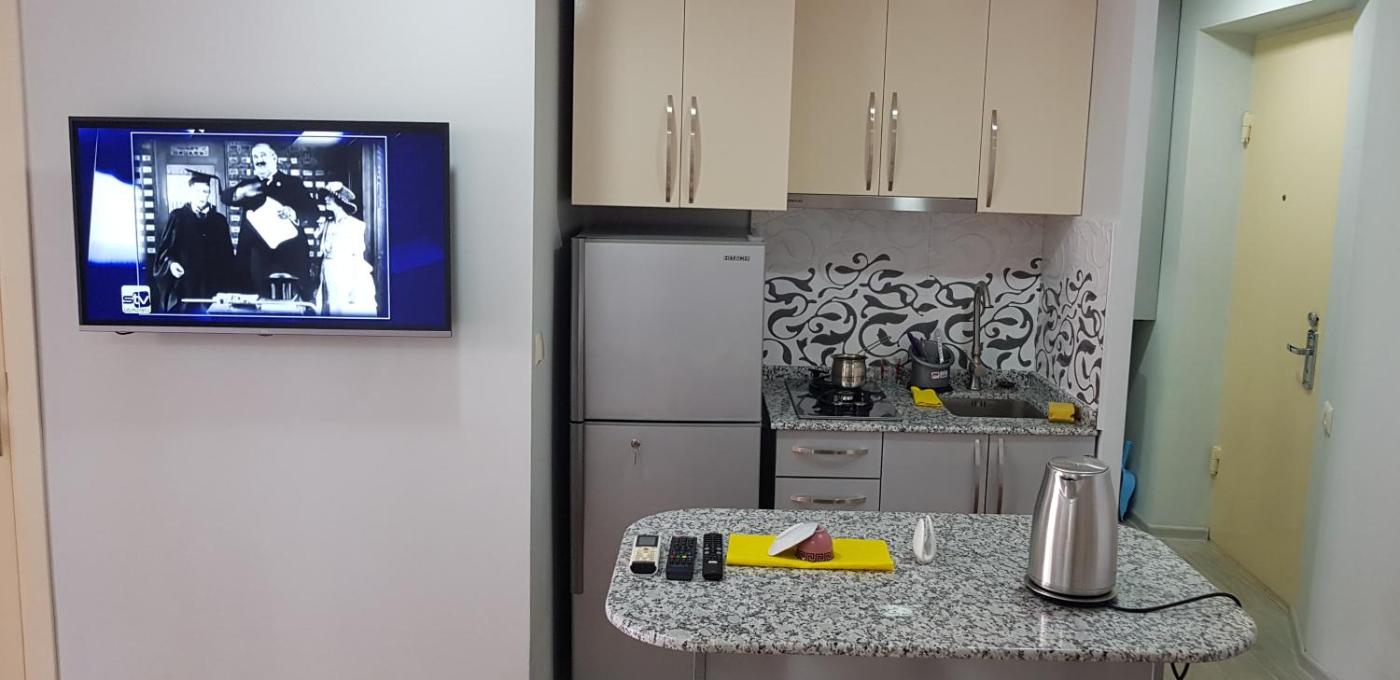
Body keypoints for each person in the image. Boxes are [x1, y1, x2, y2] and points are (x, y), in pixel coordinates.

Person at [221, 143, 318, 301]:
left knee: (285, 305)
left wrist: (293, 213)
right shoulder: (249, 185)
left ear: (274, 158)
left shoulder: (293, 183)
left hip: (286, 257)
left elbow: (312, 211)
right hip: (255, 259)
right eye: (255, 157)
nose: (259, 160)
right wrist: (240, 192)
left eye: (263, 155)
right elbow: (225, 197)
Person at [153, 172, 234, 312]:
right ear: (190, 192)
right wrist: (171, 265)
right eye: (197, 191)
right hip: (185, 288)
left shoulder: (219, 220)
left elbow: (228, 258)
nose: (201, 196)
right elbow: (164, 253)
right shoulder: (177, 217)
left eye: (205, 191)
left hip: (213, 289)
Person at [317, 182, 378, 315]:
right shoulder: (326, 225)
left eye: (330, 196)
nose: (326, 199)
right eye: (326, 196)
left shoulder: (354, 225)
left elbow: (357, 258)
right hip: (328, 275)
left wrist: (355, 288)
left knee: (343, 311)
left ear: (339, 200)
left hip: (345, 275)